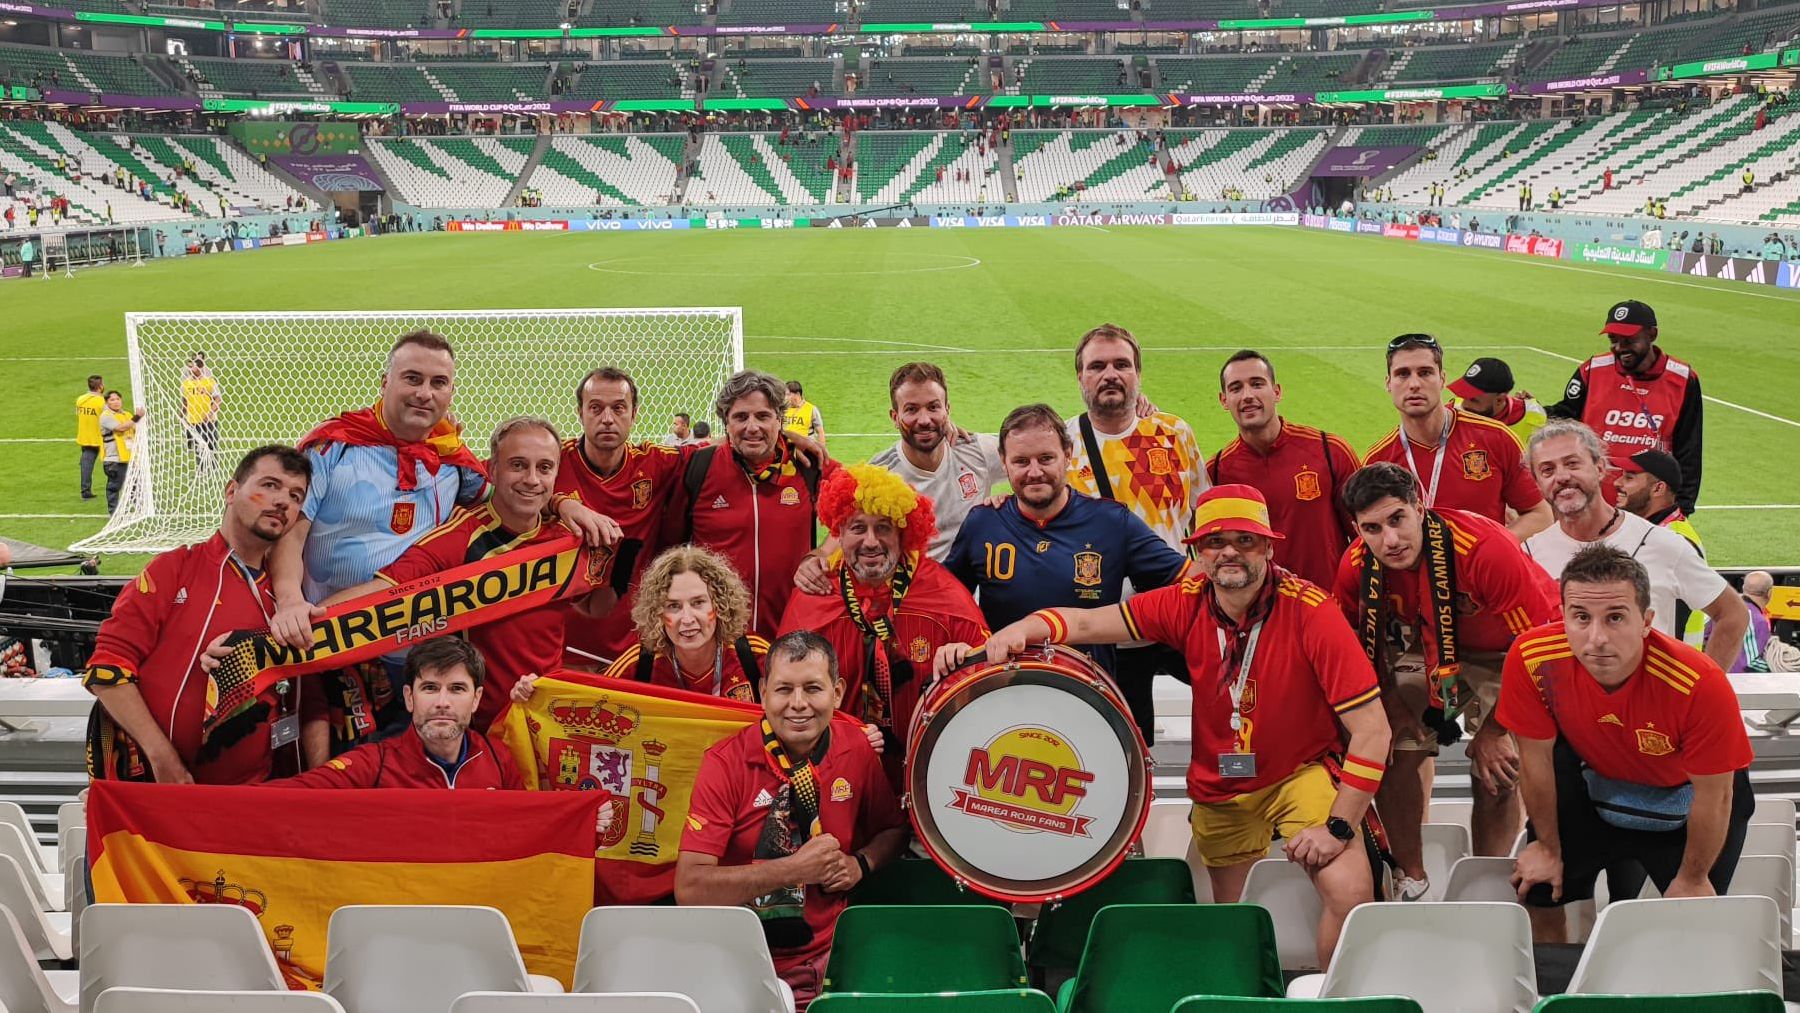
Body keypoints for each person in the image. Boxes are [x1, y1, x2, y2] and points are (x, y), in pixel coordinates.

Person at [940, 485, 1388, 968]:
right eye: (1215, 542)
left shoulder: (1312, 612)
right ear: (1196, 551)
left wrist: (1339, 827)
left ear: (1269, 548)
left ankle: (1328, 1001)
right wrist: (1020, 628)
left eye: (1246, 540)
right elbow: (1089, 625)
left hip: (1300, 773)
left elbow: (1372, 731)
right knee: (1236, 919)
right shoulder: (1186, 601)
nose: (1230, 552)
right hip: (1222, 783)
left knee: (1351, 893)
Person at [267, 331, 615, 757]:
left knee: (411, 771)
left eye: (438, 383)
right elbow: (291, 529)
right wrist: (288, 602)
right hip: (337, 641)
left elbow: (512, 495)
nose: (424, 394)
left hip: (425, 655)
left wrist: (564, 505)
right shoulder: (333, 447)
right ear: (385, 381)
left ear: (451, 391)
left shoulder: (451, 459)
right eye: (412, 379)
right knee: (338, 772)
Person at [1504, 545, 1754, 942]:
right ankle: (1553, 991)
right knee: (1537, 890)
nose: (1597, 638)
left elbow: (1717, 794)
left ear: (1646, 621)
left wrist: (1693, 877)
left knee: (1693, 924)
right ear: (1563, 615)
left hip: (1687, 800)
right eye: (1580, 617)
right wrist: (1547, 847)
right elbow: (1535, 760)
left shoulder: (1698, 682)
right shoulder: (1532, 657)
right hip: (1599, 786)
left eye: (1615, 617)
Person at [1334, 462, 1561, 900]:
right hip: (1430, 650)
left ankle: (1490, 880)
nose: (1390, 540)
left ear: (1420, 506)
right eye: (1373, 528)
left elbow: (1537, 651)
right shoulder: (1357, 566)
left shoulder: (1485, 550)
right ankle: (1411, 877)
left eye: (1397, 519)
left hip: (1508, 653)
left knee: (1499, 765)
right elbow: (1356, 651)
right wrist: (1392, 706)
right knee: (1391, 744)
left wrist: (1494, 731)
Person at [322, 418, 608, 734]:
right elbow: (382, 591)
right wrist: (305, 618)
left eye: (544, 468)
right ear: (493, 470)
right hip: (476, 730)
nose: (532, 479)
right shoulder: (461, 537)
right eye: (518, 465)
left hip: (546, 720)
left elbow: (596, 607)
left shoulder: (568, 535)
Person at [676, 631, 907, 1009]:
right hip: (733, 962)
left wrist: (860, 864)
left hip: (828, 958)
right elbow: (690, 888)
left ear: (836, 692)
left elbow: (894, 830)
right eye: (784, 689)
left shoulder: (857, 750)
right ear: (763, 691)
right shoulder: (725, 763)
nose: (798, 705)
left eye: (812, 688)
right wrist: (793, 869)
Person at [84, 446, 320, 785]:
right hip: (154, 790)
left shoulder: (292, 600)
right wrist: (162, 758)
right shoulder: (174, 569)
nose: (283, 501)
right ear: (231, 491)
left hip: (251, 799)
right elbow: (106, 670)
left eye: (296, 495)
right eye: (269, 485)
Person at [778, 463, 987, 785]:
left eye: (884, 528)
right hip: (832, 775)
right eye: (858, 527)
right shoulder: (813, 596)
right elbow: (784, 696)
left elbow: (984, 691)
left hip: (928, 775)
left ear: (905, 534)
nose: (871, 542)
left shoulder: (944, 597)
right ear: (839, 533)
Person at [946, 403, 1185, 676]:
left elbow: (1184, 581)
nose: (1034, 472)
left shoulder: (1112, 522)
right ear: (1003, 462)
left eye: (1046, 458)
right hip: (1003, 693)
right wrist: (952, 644)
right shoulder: (983, 522)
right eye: (1021, 461)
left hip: (1086, 696)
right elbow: (946, 601)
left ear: (1068, 455)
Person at [1065, 323, 1210, 745]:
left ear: (1138, 375)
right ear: (1081, 378)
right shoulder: (1062, 444)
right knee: (1127, 745)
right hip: (1106, 628)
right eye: (1097, 366)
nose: (1110, 374)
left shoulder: (1173, 433)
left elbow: (1206, 510)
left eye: (1121, 364)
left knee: (1226, 713)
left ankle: (1221, 806)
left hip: (1176, 612)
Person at [1522, 420, 1748, 674]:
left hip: (1653, 708)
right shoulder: (1527, 556)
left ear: (1599, 468)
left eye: (1572, 464)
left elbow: (1733, 614)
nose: (1562, 477)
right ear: (1537, 483)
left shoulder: (1662, 543)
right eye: (1547, 470)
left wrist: (1704, 689)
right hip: (1568, 708)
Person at [675, 370, 828, 640]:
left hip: (792, 638)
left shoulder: (807, 466)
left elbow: (862, 501)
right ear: (726, 423)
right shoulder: (698, 467)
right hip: (717, 642)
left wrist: (823, 553)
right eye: (741, 417)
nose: (752, 427)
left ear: (779, 420)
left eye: (763, 416)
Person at [556, 368, 687, 667]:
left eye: (618, 408)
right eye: (596, 408)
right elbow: (497, 484)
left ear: (634, 413)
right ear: (580, 412)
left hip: (631, 651)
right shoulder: (551, 462)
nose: (607, 419)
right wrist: (559, 503)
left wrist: (785, 437)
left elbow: (716, 451)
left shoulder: (654, 463)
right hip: (560, 649)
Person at [1366, 335, 1551, 540]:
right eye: (1402, 374)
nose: (1414, 384)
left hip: (1483, 572)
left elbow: (1540, 514)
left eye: (1425, 373)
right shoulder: (1378, 461)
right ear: (1388, 383)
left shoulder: (1496, 438)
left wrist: (1493, 550)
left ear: (1442, 379)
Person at [279, 637, 524, 789]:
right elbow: (293, 794)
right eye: (429, 688)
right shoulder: (375, 762)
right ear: (409, 697)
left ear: (476, 699)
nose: (442, 702)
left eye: (456, 689)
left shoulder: (499, 758)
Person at [1208, 350, 1361, 588]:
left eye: (1257, 384)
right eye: (1236, 388)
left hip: (1329, 606)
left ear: (1276, 391)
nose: (1248, 395)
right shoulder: (1216, 472)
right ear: (1224, 400)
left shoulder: (1330, 451)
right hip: (1260, 615)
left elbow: (1365, 536)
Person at [1543, 301, 1704, 515]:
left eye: (1628, 340)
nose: (1619, 348)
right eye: (1613, 340)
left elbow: (1689, 449)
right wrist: (1526, 409)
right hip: (1593, 503)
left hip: (1649, 508)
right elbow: (1564, 418)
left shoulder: (1682, 379)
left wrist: (1683, 507)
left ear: (1652, 334)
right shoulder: (1592, 370)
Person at [867, 362, 1007, 561]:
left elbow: (1042, 460)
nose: (924, 420)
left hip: (971, 590)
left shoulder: (976, 450)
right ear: (895, 417)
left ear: (947, 410)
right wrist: (817, 556)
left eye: (933, 407)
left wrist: (1011, 507)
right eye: (911, 410)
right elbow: (846, 535)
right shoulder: (880, 474)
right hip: (913, 589)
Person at [593, 545, 772, 700]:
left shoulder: (756, 657)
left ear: (721, 605)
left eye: (698, 603)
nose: (687, 619)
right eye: (673, 606)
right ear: (657, 613)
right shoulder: (636, 666)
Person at [1615, 449, 1708, 645]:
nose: (1617, 483)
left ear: (1658, 489)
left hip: (1669, 663)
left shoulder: (1673, 541)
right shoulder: (1655, 531)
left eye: (1629, 478)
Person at [1449, 356, 1547, 444]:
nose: (1464, 405)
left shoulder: (1532, 417)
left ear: (1499, 400)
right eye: (1463, 396)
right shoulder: (1452, 411)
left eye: (1473, 400)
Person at [98, 390, 141, 514]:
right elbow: (121, 428)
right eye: (112, 400)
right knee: (115, 486)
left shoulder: (126, 414)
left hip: (130, 456)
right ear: (107, 402)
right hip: (114, 458)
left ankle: (140, 509)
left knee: (135, 484)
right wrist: (137, 417)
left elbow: (134, 428)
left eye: (117, 399)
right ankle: (114, 512)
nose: (116, 402)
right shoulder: (106, 416)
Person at [1725, 571, 1775, 673]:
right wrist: (1779, 666)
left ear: (1743, 588)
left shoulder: (1724, 607)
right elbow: (1750, 663)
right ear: (1770, 593)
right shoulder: (1757, 620)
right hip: (1739, 682)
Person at [180, 354, 222, 473]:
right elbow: (185, 401)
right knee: (199, 445)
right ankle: (202, 468)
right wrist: (181, 415)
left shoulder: (210, 382)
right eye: (190, 367)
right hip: (193, 420)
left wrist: (210, 412)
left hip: (209, 420)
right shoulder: (185, 384)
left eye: (193, 366)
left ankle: (213, 468)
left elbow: (218, 399)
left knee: (211, 443)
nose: (190, 369)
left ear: (200, 367)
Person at [76, 374, 105, 500]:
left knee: (86, 465)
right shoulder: (102, 402)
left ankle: (85, 491)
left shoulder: (80, 399)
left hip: (84, 437)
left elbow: (78, 414)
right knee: (114, 464)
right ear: (100, 386)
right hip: (99, 438)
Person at [783, 379, 827, 453]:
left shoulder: (811, 409)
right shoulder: (783, 409)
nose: (785, 397)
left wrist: (821, 451)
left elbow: (820, 432)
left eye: (788, 394)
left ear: (797, 394)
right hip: (787, 450)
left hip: (806, 450)